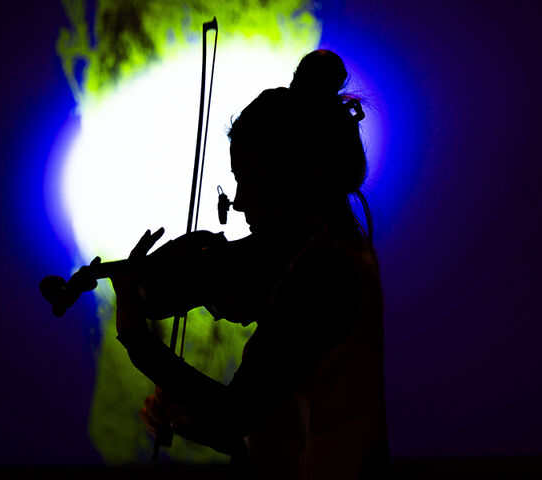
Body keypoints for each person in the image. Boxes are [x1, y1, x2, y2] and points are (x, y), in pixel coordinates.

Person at [111, 49, 389, 479]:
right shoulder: (335, 258)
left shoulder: (324, 274)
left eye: (248, 181)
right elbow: (267, 425)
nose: (238, 202)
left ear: (294, 180)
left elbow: (235, 413)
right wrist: (189, 418)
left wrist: (137, 338)